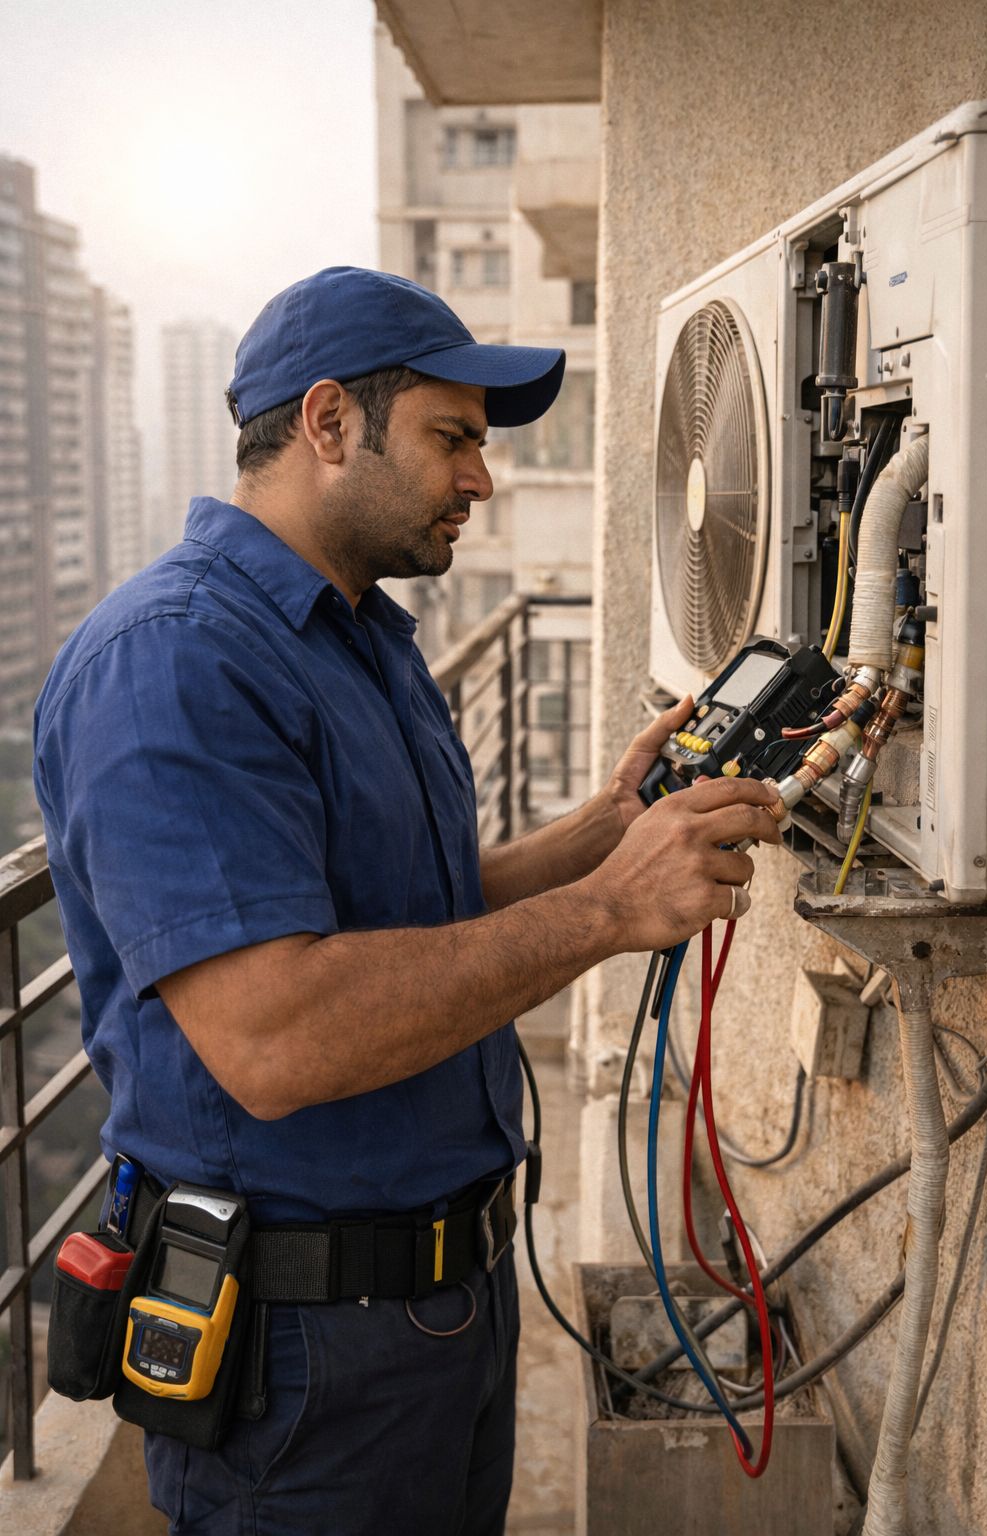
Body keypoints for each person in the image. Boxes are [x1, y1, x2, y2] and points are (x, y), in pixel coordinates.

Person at [33, 267, 779, 1535]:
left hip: (443, 1317)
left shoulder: (360, 635)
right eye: (453, 439)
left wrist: (602, 838)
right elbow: (278, 1032)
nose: (479, 480)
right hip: (302, 1368)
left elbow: (403, 907)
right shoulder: (174, 662)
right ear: (330, 424)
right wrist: (609, 912)